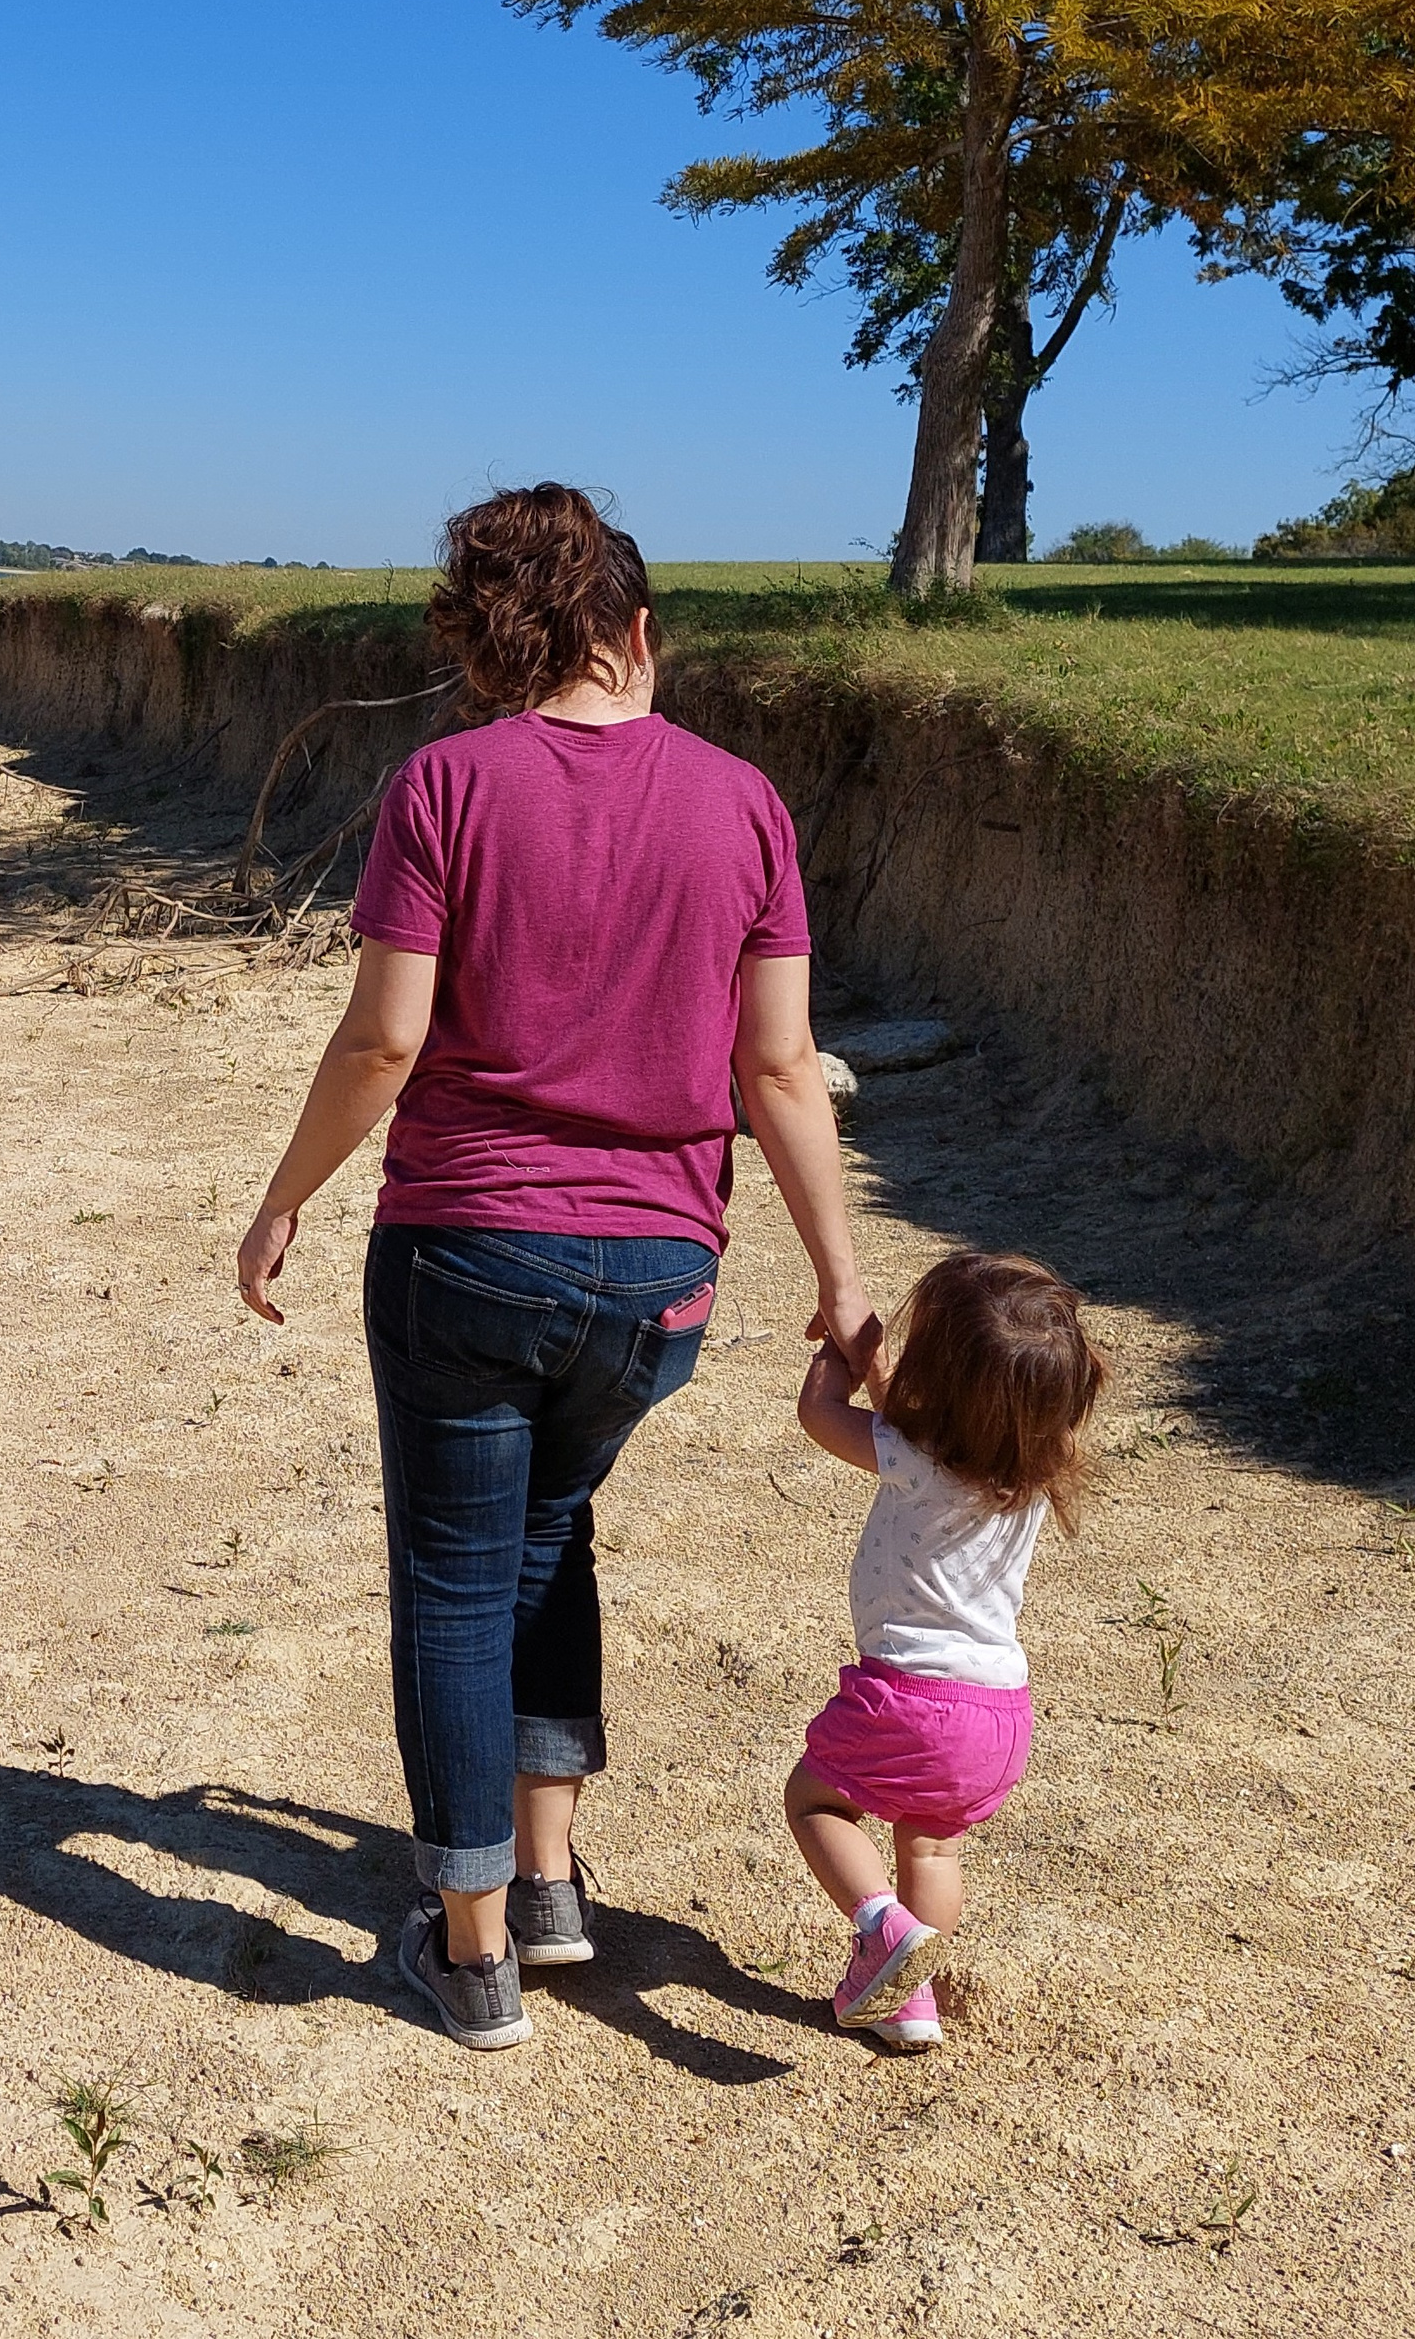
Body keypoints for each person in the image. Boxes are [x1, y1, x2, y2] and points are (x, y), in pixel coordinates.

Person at [234, 482, 875, 2053]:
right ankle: (547, 1882)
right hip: (661, 1274)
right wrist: (843, 1278)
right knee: (548, 1536)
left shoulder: (447, 783)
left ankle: (471, 1955)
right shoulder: (745, 804)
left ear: (495, 642)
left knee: (456, 1587)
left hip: (467, 1247)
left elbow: (385, 1038)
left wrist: (285, 1195)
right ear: (638, 632)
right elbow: (780, 1069)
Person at [784, 1250, 1104, 2050]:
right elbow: (940, 1416)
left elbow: (820, 1413)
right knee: (929, 1843)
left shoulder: (911, 1455)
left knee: (816, 1802)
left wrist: (843, 1353)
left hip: (910, 1700)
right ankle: (908, 1997)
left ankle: (880, 1925)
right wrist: (880, 1364)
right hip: (998, 1717)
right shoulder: (1038, 1466)